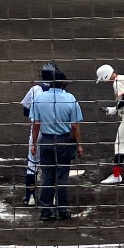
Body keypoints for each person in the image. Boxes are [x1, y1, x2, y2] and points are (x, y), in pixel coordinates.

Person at [29, 66, 84, 222]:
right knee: (62, 177)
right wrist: (79, 145)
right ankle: (62, 210)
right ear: (63, 84)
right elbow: (74, 126)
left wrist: (33, 144)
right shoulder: (70, 99)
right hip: (63, 142)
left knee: (47, 177)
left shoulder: (39, 98)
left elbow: (36, 124)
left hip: (45, 141)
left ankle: (45, 211)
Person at [19, 62, 59, 206]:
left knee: (32, 163)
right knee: (52, 166)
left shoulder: (35, 89)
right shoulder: (59, 91)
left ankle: (30, 197)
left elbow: (25, 110)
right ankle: (52, 198)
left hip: (37, 131)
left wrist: (37, 112)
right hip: (54, 133)